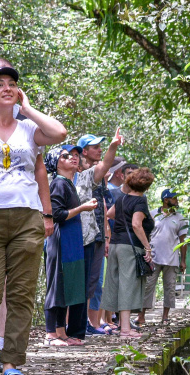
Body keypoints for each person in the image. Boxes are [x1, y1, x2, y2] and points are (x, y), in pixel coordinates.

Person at [0, 60, 67, 375]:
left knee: (22, 293)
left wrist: (26, 109)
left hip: (27, 215)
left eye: (12, 84)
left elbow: (58, 135)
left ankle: (11, 362)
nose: (7, 89)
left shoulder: (28, 129)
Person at [43, 146, 98, 346]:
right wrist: (82, 208)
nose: (73, 158)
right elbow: (57, 214)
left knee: (67, 285)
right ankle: (51, 334)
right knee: (57, 284)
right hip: (61, 240)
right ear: (57, 163)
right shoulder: (58, 183)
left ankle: (62, 333)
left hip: (72, 240)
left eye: (75, 155)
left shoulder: (68, 183)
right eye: (66, 156)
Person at [74, 131, 124, 338]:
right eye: (95, 147)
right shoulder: (79, 175)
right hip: (79, 233)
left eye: (101, 147)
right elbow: (104, 165)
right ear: (84, 151)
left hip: (96, 233)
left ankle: (86, 323)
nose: (99, 150)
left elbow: (103, 205)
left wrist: (105, 235)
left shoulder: (94, 176)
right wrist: (113, 146)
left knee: (92, 281)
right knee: (78, 279)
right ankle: (71, 324)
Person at [104, 168, 156, 338]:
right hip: (130, 247)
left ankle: (121, 324)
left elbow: (110, 214)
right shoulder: (140, 201)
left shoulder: (122, 199)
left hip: (115, 245)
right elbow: (136, 224)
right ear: (147, 186)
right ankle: (125, 329)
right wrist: (147, 247)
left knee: (117, 283)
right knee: (128, 284)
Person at [141, 189, 188, 324]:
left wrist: (183, 260)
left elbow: (183, 241)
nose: (177, 201)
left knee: (170, 288)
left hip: (171, 258)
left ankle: (165, 317)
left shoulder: (180, 218)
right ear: (166, 200)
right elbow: (145, 233)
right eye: (174, 198)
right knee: (148, 286)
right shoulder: (152, 214)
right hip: (153, 257)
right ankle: (141, 316)